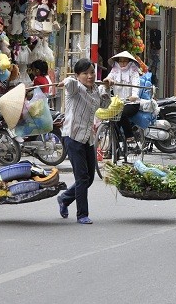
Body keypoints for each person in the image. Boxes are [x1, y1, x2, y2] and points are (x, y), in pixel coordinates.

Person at [56, 58, 112, 224]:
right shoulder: (75, 89)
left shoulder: (95, 89)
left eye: (92, 73)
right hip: (73, 137)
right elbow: (70, 83)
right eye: (85, 73)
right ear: (78, 75)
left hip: (88, 138)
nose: (89, 76)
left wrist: (107, 88)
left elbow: (105, 105)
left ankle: (65, 198)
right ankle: (82, 214)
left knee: (89, 178)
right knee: (82, 178)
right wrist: (65, 81)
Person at [103, 51, 141, 147]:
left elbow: (136, 84)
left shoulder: (133, 71)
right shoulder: (115, 69)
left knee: (121, 114)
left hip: (132, 103)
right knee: (114, 123)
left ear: (129, 61)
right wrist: (108, 80)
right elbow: (108, 78)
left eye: (125, 61)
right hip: (118, 103)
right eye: (121, 61)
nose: (122, 63)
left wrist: (134, 95)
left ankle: (129, 136)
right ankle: (113, 149)